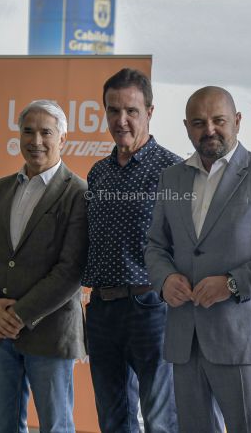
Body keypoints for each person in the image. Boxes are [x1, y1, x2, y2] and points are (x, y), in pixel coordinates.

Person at [145, 86, 251, 433]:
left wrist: (232, 283)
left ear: (237, 121)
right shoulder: (171, 178)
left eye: (218, 120)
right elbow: (155, 245)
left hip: (240, 340)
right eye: (198, 122)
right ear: (187, 127)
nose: (209, 130)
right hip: (184, 340)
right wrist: (164, 279)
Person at [0, 100, 87, 433]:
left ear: (62, 139)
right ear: (19, 136)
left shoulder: (78, 193)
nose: (36, 140)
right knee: (2, 424)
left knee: (55, 425)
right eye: (28, 131)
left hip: (49, 333)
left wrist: (17, 315)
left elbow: (71, 271)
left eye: (46, 132)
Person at [82, 68, 181, 433]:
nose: (121, 120)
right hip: (103, 310)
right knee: (112, 418)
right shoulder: (98, 173)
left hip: (151, 309)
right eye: (113, 111)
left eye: (131, 111)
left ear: (150, 112)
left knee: (159, 419)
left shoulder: (173, 170)